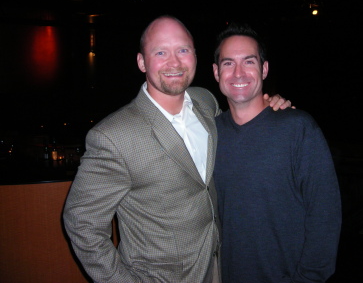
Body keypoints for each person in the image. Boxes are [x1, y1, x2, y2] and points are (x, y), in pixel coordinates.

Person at [63, 15, 290, 283]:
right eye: (161, 52)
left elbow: (240, 125)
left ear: (195, 55)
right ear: (141, 61)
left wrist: (270, 106)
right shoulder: (113, 137)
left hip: (225, 269)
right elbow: (81, 223)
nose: (174, 62)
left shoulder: (206, 102)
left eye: (183, 50)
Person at [212, 23, 342, 283]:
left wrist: (309, 278)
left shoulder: (297, 128)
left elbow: (325, 214)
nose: (238, 73)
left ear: (264, 68)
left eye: (248, 61)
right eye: (228, 63)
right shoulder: (209, 134)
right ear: (216, 72)